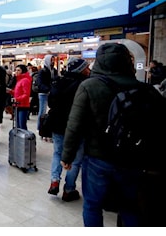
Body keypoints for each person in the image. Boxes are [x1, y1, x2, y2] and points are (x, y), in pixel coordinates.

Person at [61, 43, 142, 226]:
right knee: (130, 206)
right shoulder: (141, 88)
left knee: (92, 205)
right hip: (131, 158)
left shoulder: (89, 86)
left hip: (98, 156)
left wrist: (68, 155)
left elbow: (74, 125)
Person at [47, 57, 90, 202]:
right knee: (76, 159)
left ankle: (54, 181)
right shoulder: (84, 84)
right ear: (81, 69)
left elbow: (51, 101)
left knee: (58, 153)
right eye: (86, 67)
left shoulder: (58, 81)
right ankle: (69, 189)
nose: (88, 69)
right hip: (77, 126)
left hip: (57, 124)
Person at [36, 54, 58, 139]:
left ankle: (47, 128)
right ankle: (40, 128)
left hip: (51, 93)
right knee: (42, 111)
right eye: (51, 60)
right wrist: (47, 89)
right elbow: (40, 83)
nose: (53, 62)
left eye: (53, 60)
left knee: (50, 111)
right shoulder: (43, 71)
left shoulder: (54, 70)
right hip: (43, 93)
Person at [7, 64, 32, 130]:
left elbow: (26, 94)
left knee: (21, 125)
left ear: (22, 71)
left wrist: (17, 99)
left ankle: (24, 139)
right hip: (18, 105)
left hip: (23, 105)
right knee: (18, 125)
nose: (16, 72)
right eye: (16, 70)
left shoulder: (25, 80)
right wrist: (11, 91)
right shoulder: (19, 80)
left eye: (18, 70)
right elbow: (18, 92)